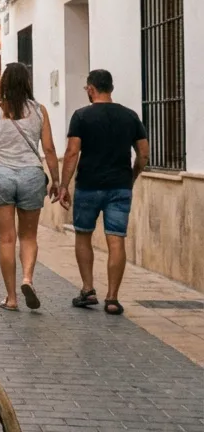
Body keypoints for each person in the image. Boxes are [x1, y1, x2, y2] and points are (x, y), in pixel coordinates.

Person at [0, 62, 61, 311]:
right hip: (31, 175)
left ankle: (11, 298)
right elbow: (49, 149)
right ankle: (27, 279)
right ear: (27, 83)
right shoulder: (40, 111)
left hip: (2, 175)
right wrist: (57, 180)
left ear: (5, 84)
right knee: (28, 236)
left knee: (7, 239)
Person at [58, 70, 148, 316]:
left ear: (90, 89)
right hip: (119, 186)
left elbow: (72, 152)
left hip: (88, 185)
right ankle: (112, 298)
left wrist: (64, 185)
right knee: (116, 239)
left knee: (83, 235)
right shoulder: (130, 116)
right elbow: (143, 154)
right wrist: (132, 176)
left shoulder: (81, 116)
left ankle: (88, 290)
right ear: (111, 88)